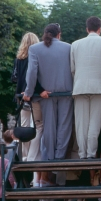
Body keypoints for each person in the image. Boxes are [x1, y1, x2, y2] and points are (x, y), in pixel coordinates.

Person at [23, 23, 74, 167]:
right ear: (59, 34)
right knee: (64, 125)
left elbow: (32, 72)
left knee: (49, 126)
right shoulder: (69, 47)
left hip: (46, 94)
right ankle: (60, 157)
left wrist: (29, 92)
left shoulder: (34, 49)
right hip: (66, 92)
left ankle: (50, 159)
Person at [70, 16, 101, 159]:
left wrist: (77, 81)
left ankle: (82, 154)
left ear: (87, 29)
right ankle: (91, 154)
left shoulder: (75, 44)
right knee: (94, 124)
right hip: (99, 88)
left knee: (81, 125)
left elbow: (73, 68)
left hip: (79, 87)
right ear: (100, 29)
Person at [13, 32, 41, 162]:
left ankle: (24, 156)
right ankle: (33, 157)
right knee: (37, 126)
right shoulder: (37, 57)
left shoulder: (18, 59)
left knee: (23, 127)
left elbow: (14, 78)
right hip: (34, 95)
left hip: (21, 96)